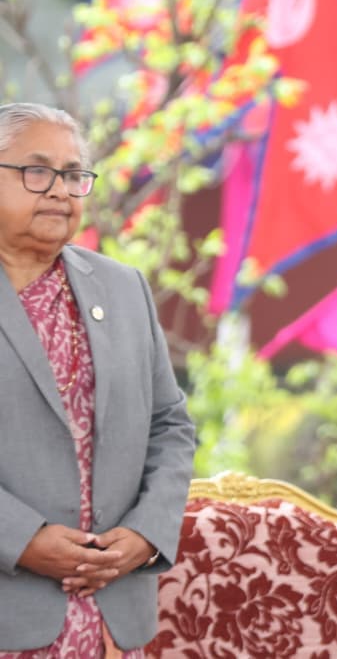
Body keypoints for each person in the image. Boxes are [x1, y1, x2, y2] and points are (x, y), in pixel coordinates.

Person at [0, 103, 195, 656]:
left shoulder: (122, 287)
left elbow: (170, 423)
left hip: (113, 617)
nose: (60, 190)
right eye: (36, 171)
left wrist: (145, 533)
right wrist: (22, 540)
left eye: (74, 175)